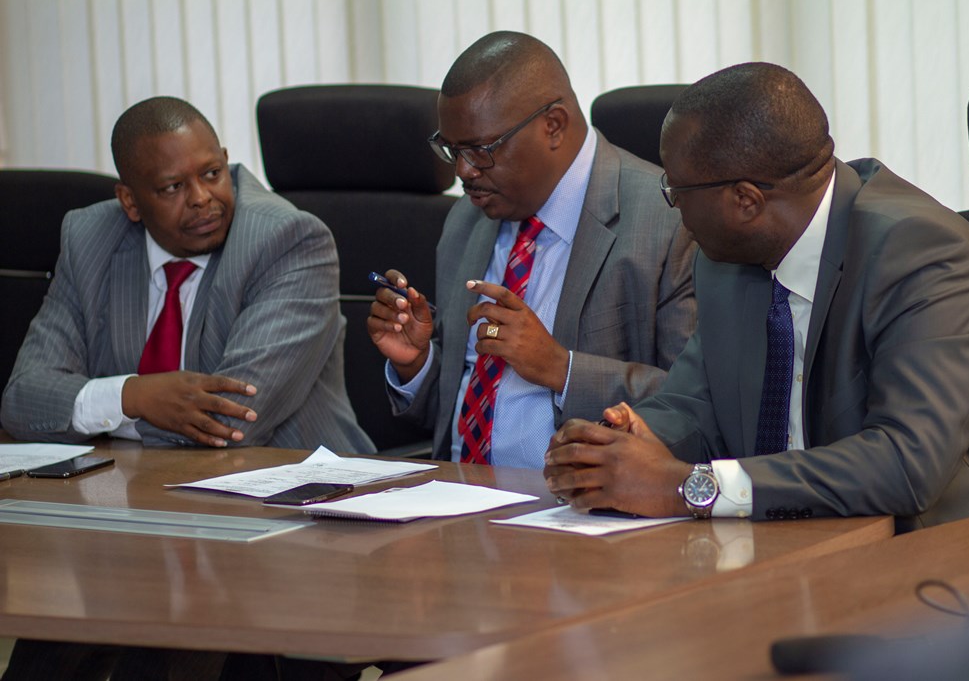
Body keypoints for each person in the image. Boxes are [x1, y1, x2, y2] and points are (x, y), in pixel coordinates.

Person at [544, 62, 969, 533]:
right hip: (793, 538)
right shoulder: (726, 258)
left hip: (949, 554)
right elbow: (693, 403)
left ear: (746, 201)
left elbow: (906, 463)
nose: (673, 205)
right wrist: (622, 445)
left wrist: (689, 486)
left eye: (676, 189)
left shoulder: (921, 254)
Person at [368, 31, 696, 467]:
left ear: (554, 126)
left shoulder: (671, 222)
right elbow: (455, 410)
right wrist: (418, 363)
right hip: (457, 505)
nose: (463, 171)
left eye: (481, 150)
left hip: (582, 515)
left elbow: (695, 406)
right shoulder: (466, 220)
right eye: (452, 149)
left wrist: (561, 367)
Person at [1, 96, 373, 455]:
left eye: (212, 174)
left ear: (226, 162)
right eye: (173, 187)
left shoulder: (287, 240)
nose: (201, 198)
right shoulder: (90, 240)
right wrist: (133, 396)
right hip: (141, 493)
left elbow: (231, 420)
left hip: (302, 494)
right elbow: (24, 400)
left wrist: (100, 408)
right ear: (130, 201)